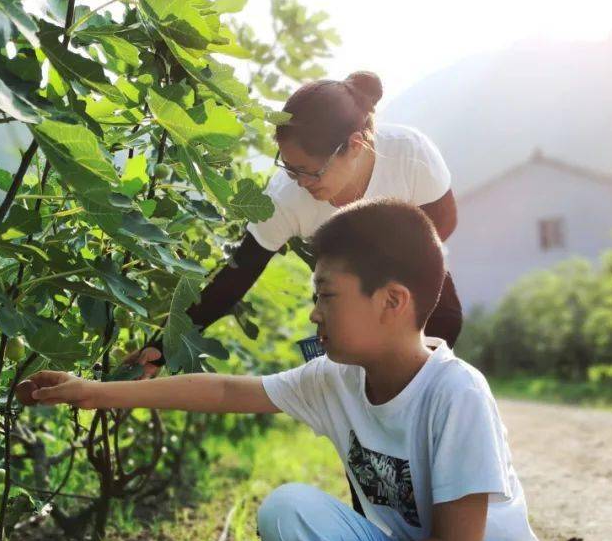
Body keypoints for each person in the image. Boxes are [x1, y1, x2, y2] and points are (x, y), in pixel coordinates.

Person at [25, 199, 612, 541]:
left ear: (391, 301)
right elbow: (232, 391)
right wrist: (95, 392)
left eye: (327, 296)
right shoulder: (337, 376)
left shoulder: (454, 392)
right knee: (287, 509)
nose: (314, 313)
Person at [128, 70, 462, 381]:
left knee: (423, 382)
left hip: (416, 291)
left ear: (355, 146)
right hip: (346, 306)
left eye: (310, 171)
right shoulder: (286, 198)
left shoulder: (409, 155)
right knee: (356, 396)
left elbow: (443, 225)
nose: (300, 181)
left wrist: (379, 274)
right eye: (289, 168)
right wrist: (162, 347)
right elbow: (234, 279)